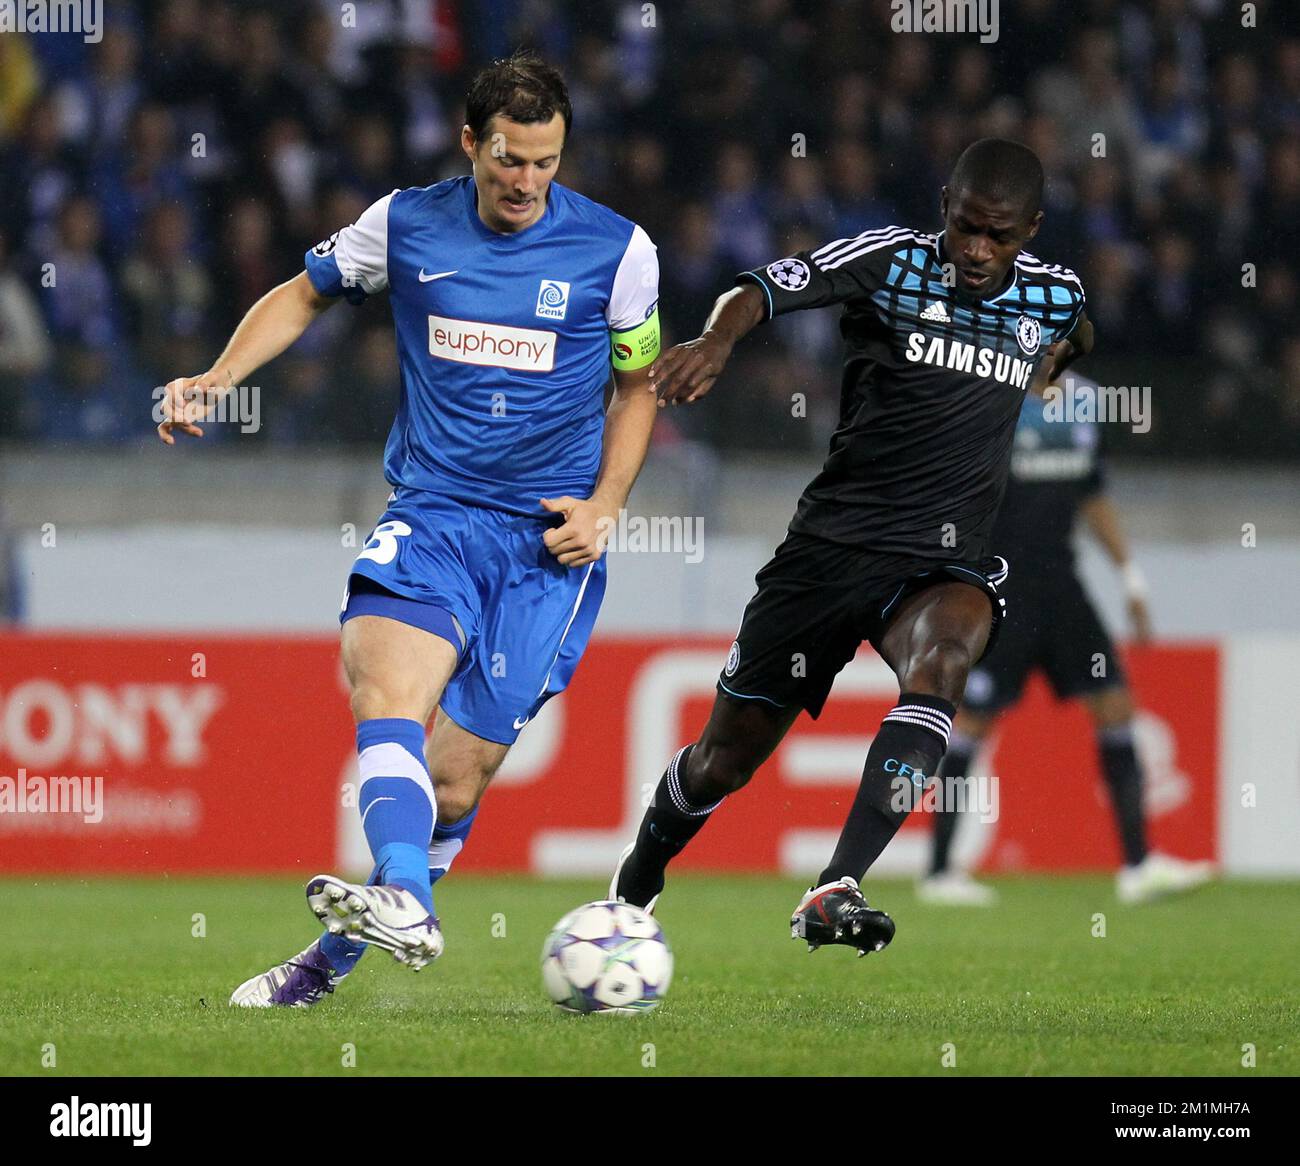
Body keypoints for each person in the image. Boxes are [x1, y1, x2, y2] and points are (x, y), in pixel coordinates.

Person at [156, 52, 662, 1006]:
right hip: (432, 513)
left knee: (457, 783)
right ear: (470, 144)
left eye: (547, 163)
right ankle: (409, 902)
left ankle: (324, 969)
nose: (526, 183)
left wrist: (607, 506)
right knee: (381, 680)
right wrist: (218, 381)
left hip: (547, 546)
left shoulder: (619, 253)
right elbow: (304, 292)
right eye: (509, 160)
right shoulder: (405, 223)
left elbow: (639, 388)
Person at [612, 138, 1091, 956]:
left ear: (1031, 231)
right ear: (945, 204)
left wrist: (1053, 359)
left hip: (944, 561)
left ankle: (837, 885)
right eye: (967, 227)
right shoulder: (892, 262)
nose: (978, 251)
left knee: (943, 663)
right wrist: (719, 342)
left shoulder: (1053, 295)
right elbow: (763, 286)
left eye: (999, 237)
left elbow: (1079, 328)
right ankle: (634, 887)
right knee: (723, 762)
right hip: (830, 551)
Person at [918, 381, 1214, 907]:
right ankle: (939, 871)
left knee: (1116, 704)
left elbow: (1093, 496)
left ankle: (1138, 867)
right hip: (1002, 587)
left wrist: (1131, 578)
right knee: (970, 720)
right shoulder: (988, 396)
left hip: (1062, 587)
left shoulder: (1086, 402)